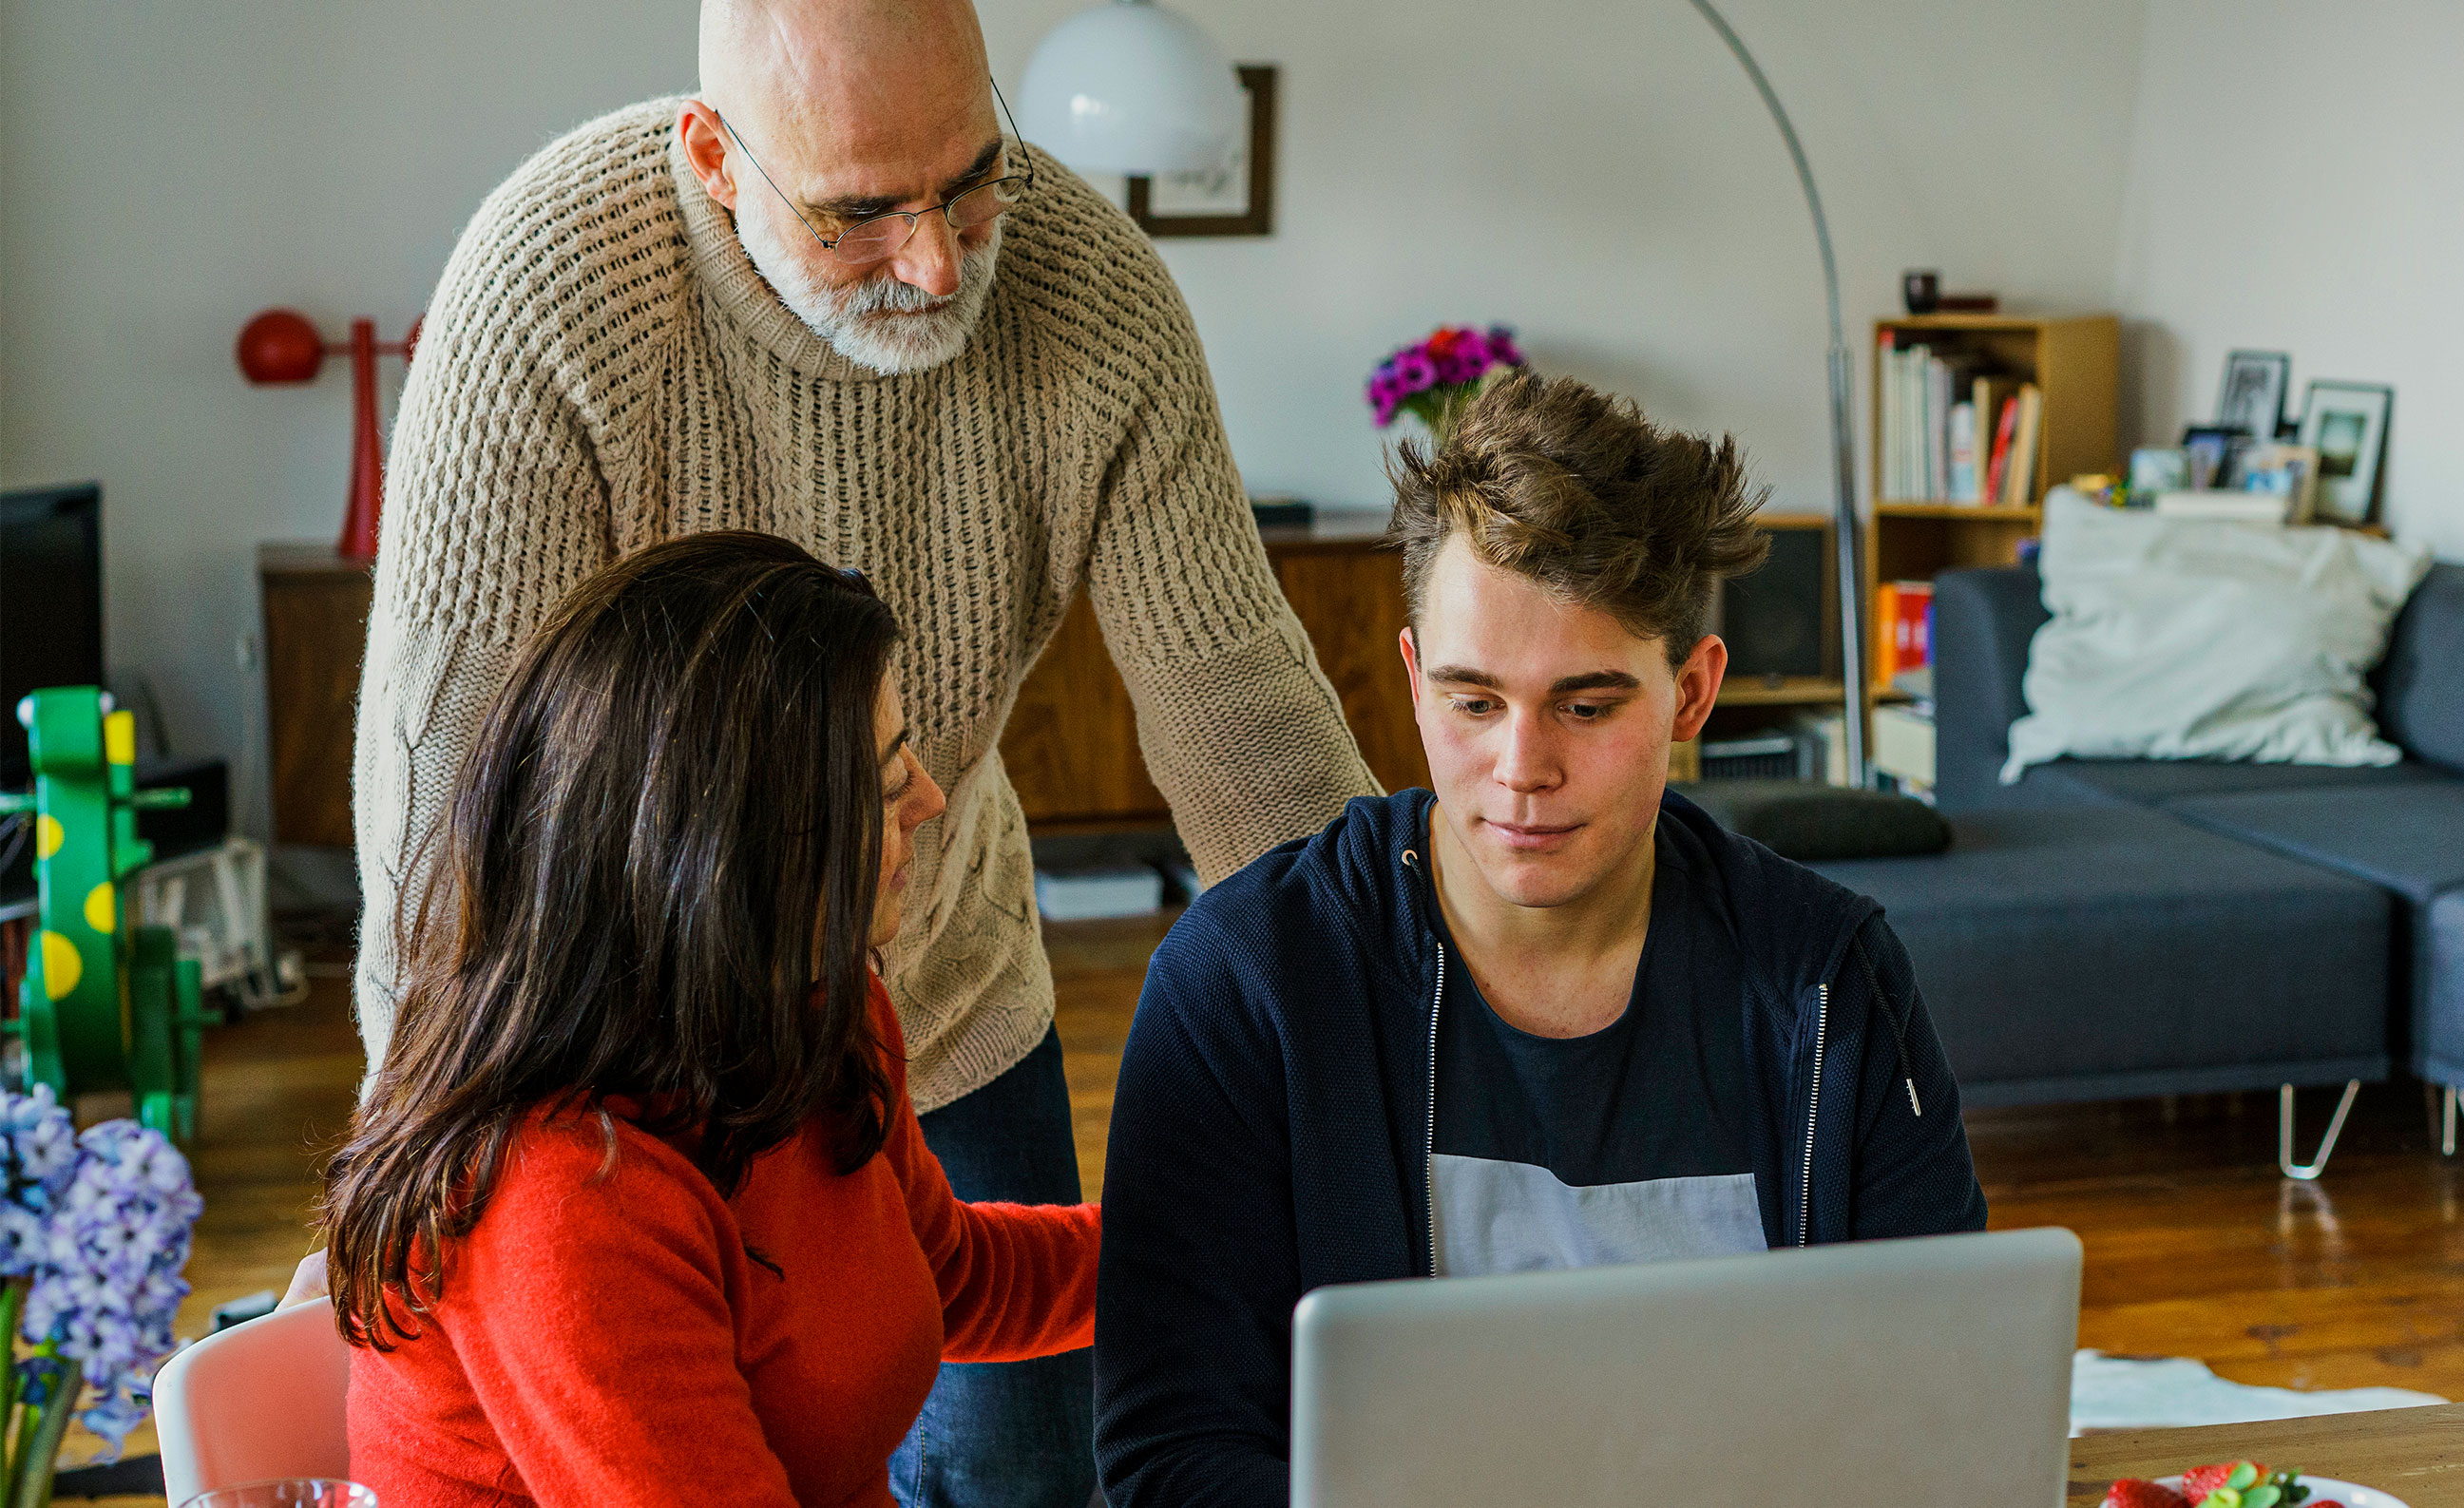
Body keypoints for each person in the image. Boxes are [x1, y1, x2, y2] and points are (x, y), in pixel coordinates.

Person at [335, 1, 1376, 1500]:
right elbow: (441, 821)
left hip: (865, 968)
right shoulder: (546, 303)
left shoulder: (851, 1017)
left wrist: (1378, 1080)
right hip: (614, 1038)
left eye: (971, 178)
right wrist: (424, 1181)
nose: (941, 259)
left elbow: (1250, 729)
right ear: (713, 158)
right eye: (860, 213)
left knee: (1021, 1462)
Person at [1091, 374, 1990, 1508]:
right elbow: (1170, 1462)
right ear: (1415, 683)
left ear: (1692, 693)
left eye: (1586, 705)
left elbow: (1945, 1398)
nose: (1522, 772)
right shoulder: (1246, 982)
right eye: (1474, 703)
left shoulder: (1831, 982)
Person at [327, 533, 1098, 1508]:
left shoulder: (816, 1011)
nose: (934, 802)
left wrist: (1229, 1238)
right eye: (890, 779)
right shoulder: (565, 1196)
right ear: (736, 842)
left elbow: (951, 1274)